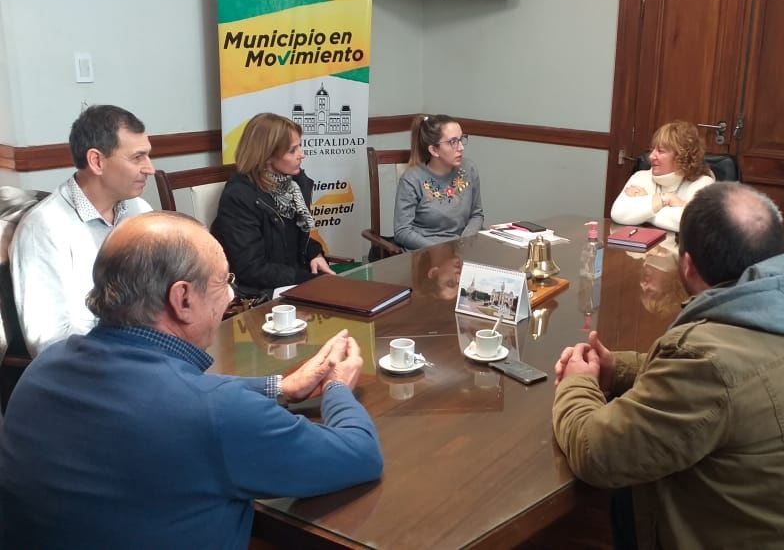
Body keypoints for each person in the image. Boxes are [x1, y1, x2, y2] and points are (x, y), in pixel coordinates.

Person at [0, 211, 383, 548]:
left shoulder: (43, 370)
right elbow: (360, 454)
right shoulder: (214, 413)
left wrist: (280, 388)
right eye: (223, 281)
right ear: (182, 299)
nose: (230, 295)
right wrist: (336, 386)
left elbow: (171, 400)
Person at [553, 182, 784, 550]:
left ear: (687, 266)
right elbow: (737, 385)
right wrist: (618, 369)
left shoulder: (705, 360)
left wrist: (577, 384)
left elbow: (597, 453)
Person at [10, 104, 154, 356]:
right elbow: (49, 343)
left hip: (148, 351)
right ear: (96, 161)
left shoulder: (138, 209)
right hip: (94, 368)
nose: (150, 168)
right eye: (137, 157)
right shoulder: (44, 228)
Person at [210, 113, 334, 298]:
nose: (302, 155)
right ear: (267, 156)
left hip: (294, 287)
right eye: (293, 150)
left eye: (300, 146)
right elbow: (250, 268)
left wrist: (315, 254)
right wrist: (307, 280)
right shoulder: (239, 197)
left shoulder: (293, 187)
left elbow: (294, 240)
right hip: (259, 296)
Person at [393, 114, 484, 250]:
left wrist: (464, 242)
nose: (461, 148)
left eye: (461, 139)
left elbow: (477, 214)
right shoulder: (412, 179)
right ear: (434, 150)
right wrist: (441, 250)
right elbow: (402, 231)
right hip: (427, 253)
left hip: (462, 249)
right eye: (453, 142)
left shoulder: (469, 169)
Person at [610, 120, 715, 232]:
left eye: (660, 151)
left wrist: (644, 206)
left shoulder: (704, 183)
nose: (651, 156)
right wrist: (667, 199)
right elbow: (618, 213)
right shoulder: (641, 176)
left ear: (681, 157)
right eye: (652, 150)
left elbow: (694, 225)